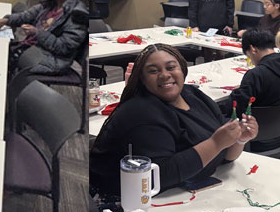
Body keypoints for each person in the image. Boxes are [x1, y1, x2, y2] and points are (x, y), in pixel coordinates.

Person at [89, 44, 259, 197]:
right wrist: (215, 143)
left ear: (182, 69)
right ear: (142, 78)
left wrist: (238, 139)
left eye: (171, 67)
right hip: (129, 204)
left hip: (189, 194)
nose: (164, 75)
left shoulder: (192, 95)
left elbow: (223, 158)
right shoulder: (142, 113)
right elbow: (159, 176)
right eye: (153, 71)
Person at [0, 0, 87, 75]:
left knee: (2, 60)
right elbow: (26, 16)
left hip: (52, 60)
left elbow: (64, 47)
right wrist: (6, 20)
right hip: (33, 49)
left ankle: (12, 88)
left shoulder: (77, 15)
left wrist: (37, 33)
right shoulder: (50, 3)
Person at [230, 27, 280, 115]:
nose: (252, 62)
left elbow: (236, 109)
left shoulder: (256, 75)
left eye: (249, 56)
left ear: (253, 49)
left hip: (254, 125)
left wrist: (236, 92)